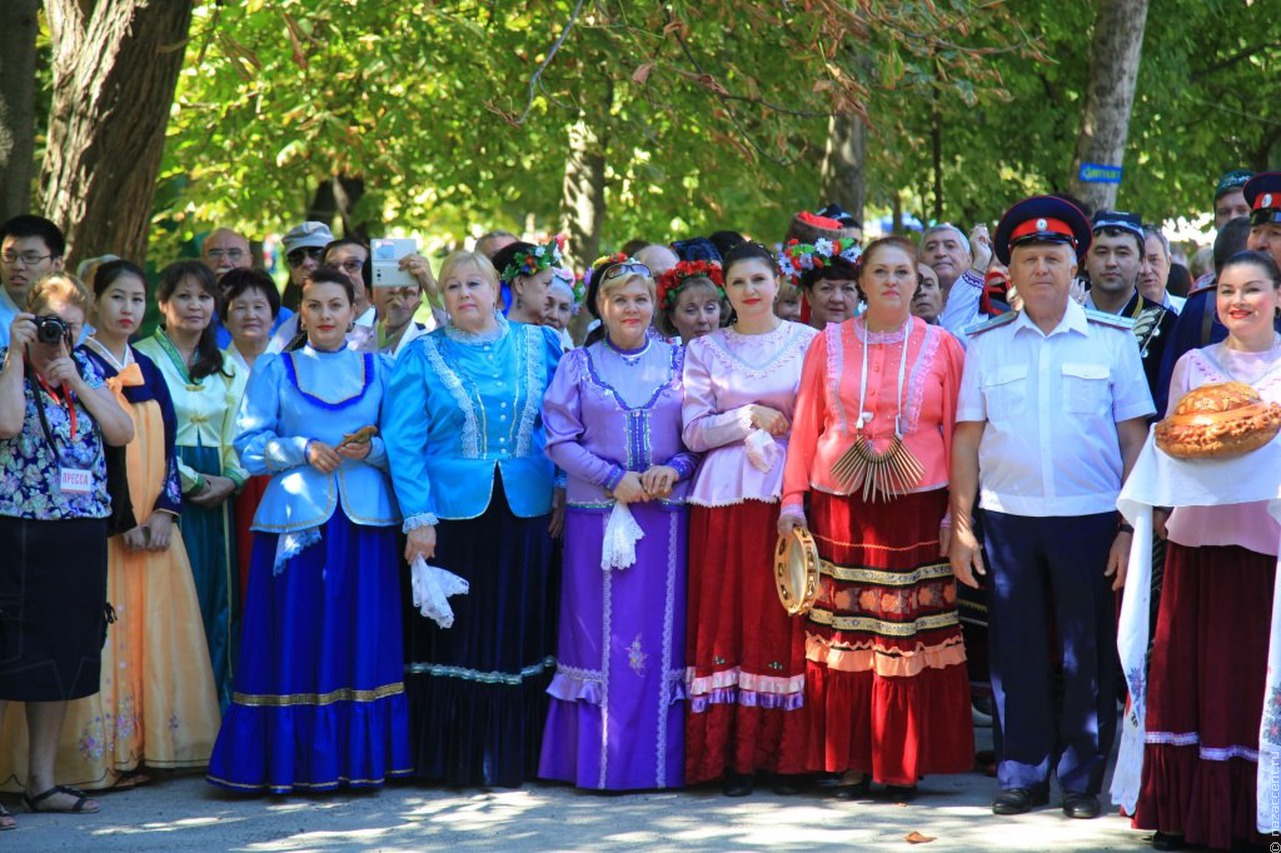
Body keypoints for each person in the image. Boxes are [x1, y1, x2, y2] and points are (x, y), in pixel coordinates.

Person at [950, 196, 1153, 819]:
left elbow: (1134, 438)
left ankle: (1081, 780)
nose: (1041, 269)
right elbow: (967, 437)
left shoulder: (1113, 341)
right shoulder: (986, 344)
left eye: (1054, 257)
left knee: (1085, 652)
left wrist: (1129, 528)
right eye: (1029, 258)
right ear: (1010, 269)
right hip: (1007, 517)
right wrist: (960, 527)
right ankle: (1020, 774)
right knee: (1015, 651)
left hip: (1090, 517)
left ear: (1076, 267)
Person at [18, 261, 220, 793]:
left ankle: (145, 748)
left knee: (152, 635)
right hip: (99, 528)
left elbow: (163, 444)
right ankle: (93, 757)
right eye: (117, 299)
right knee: (93, 640)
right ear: (95, 307)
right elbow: (98, 455)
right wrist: (124, 516)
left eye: (136, 299)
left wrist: (165, 510)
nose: (127, 310)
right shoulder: (63, 359)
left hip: (147, 524)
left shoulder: (148, 367)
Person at [780, 236, 971, 800]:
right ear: (861, 281)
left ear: (918, 281)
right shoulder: (827, 345)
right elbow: (804, 425)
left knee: (905, 627)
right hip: (839, 502)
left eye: (902, 272)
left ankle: (898, 762)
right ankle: (848, 759)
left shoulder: (944, 347)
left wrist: (956, 518)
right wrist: (792, 502)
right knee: (846, 627)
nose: (891, 281)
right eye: (880, 271)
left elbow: (960, 436)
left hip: (917, 506)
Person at [207, 266, 408, 793]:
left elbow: (406, 445)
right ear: (302, 308)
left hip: (366, 523)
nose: (325, 316)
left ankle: (356, 761)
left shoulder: (381, 369)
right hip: (296, 525)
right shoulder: (276, 369)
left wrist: (376, 450)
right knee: (294, 633)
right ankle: (288, 764)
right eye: (315, 305)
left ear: (353, 308)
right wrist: (301, 449)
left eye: (335, 306)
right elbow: (248, 449)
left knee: (359, 635)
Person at [383, 250, 563, 787]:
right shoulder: (422, 354)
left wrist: (559, 488)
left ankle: (517, 754)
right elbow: (404, 441)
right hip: (452, 516)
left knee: (520, 625)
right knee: (461, 632)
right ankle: (457, 757)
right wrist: (418, 518)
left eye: (475, 283)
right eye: (454, 285)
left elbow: (561, 424)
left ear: (496, 290)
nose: (465, 294)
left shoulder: (540, 344)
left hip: (527, 509)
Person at [1124, 250, 1281, 851]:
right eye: (1227, 291)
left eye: (1253, 289)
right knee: (1187, 672)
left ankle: (1256, 812)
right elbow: (1173, 438)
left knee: (1250, 676)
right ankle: (1181, 809)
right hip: (1196, 538)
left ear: (1276, 295)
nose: (1238, 301)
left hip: (1266, 546)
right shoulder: (1193, 363)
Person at [538, 258, 697, 790]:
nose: (631, 309)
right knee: (598, 640)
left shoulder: (682, 361)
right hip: (594, 522)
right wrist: (612, 479)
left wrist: (672, 470)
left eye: (641, 299)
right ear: (600, 308)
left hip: (667, 522)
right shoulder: (578, 365)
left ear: (655, 305)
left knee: (660, 638)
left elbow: (697, 438)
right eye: (619, 300)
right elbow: (558, 441)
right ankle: (595, 764)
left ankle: (660, 764)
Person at [681, 241, 819, 796]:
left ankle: (785, 757)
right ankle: (732, 756)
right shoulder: (706, 350)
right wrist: (746, 418)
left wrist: (797, 492)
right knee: (729, 612)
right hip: (724, 497)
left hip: (788, 491)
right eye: (738, 283)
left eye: (759, 280)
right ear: (726, 290)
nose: (750, 291)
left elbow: (816, 421)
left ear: (779, 283)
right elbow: (692, 431)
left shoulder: (810, 343)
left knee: (785, 610)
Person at [0, 273, 134, 823]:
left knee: (57, 658)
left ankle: (42, 782)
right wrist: (15, 352)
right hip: (18, 530)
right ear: (29, 320)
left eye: (71, 327)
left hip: (79, 532)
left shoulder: (89, 371)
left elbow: (122, 431)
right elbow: (7, 425)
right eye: (51, 325)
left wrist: (75, 380)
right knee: (7, 654)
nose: (60, 337)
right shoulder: (6, 365)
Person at [135, 261, 248, 712]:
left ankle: (213, 711)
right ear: (163, 305)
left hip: (220, 497)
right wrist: (190, 480)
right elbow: (144, 435)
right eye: (184, 296)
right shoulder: (141, 358)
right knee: (166, 604)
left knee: (219, 600)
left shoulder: (227, 366)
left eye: (204, 297)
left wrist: (233, 478)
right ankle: (168, 718)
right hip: (158, 486)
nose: (195, 305)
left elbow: (242, 429)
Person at [221, 268, 281, 601]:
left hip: (276, 482)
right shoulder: (210, 368)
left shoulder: (289, 366)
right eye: (240, 307)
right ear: (225, 317)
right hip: (225, 485)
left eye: (259, 307)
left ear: (274, 315)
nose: (250, 315)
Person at [1083, 210, 1175, 396]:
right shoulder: (1064, 319)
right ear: (1085, 261)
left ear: (1141, 262)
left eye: (1122, 253)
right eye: (1101, 252)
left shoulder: (1169, 325)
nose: (1111, 262)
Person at [0, 216, 65, 349]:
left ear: (57, 264)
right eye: (9, 256)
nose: (18, 266)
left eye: (30, 257)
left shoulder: (71, 317)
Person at [778, 235, 862, 329]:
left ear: (860, 296)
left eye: (847, 289)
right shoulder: (790, 341)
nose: (837, 298)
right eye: (826, 288)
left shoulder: (872, 340)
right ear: (809, 295)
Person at [494, 238, 565, 326]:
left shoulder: (549, 335)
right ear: (520, 284)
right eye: (546, 284)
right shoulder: (492, 335)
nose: (552, 294)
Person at [656, 260, 726, 345]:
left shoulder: (738, 356)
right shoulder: (666, 357)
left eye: (710, 308)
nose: (702, 319)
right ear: (673, 318)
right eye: (691, 310)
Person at [278, 221, 333, 313]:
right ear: (293, 274)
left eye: (316, 254)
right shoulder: (287, 327)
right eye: (296, 258)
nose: (307, 263)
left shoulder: (360, 322)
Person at [1139, 226, 1184, 313]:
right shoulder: (1114, 315)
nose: (1146, 270)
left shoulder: (1188, 311)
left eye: (1154, 260)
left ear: (1169, 263)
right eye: (1140, 261)